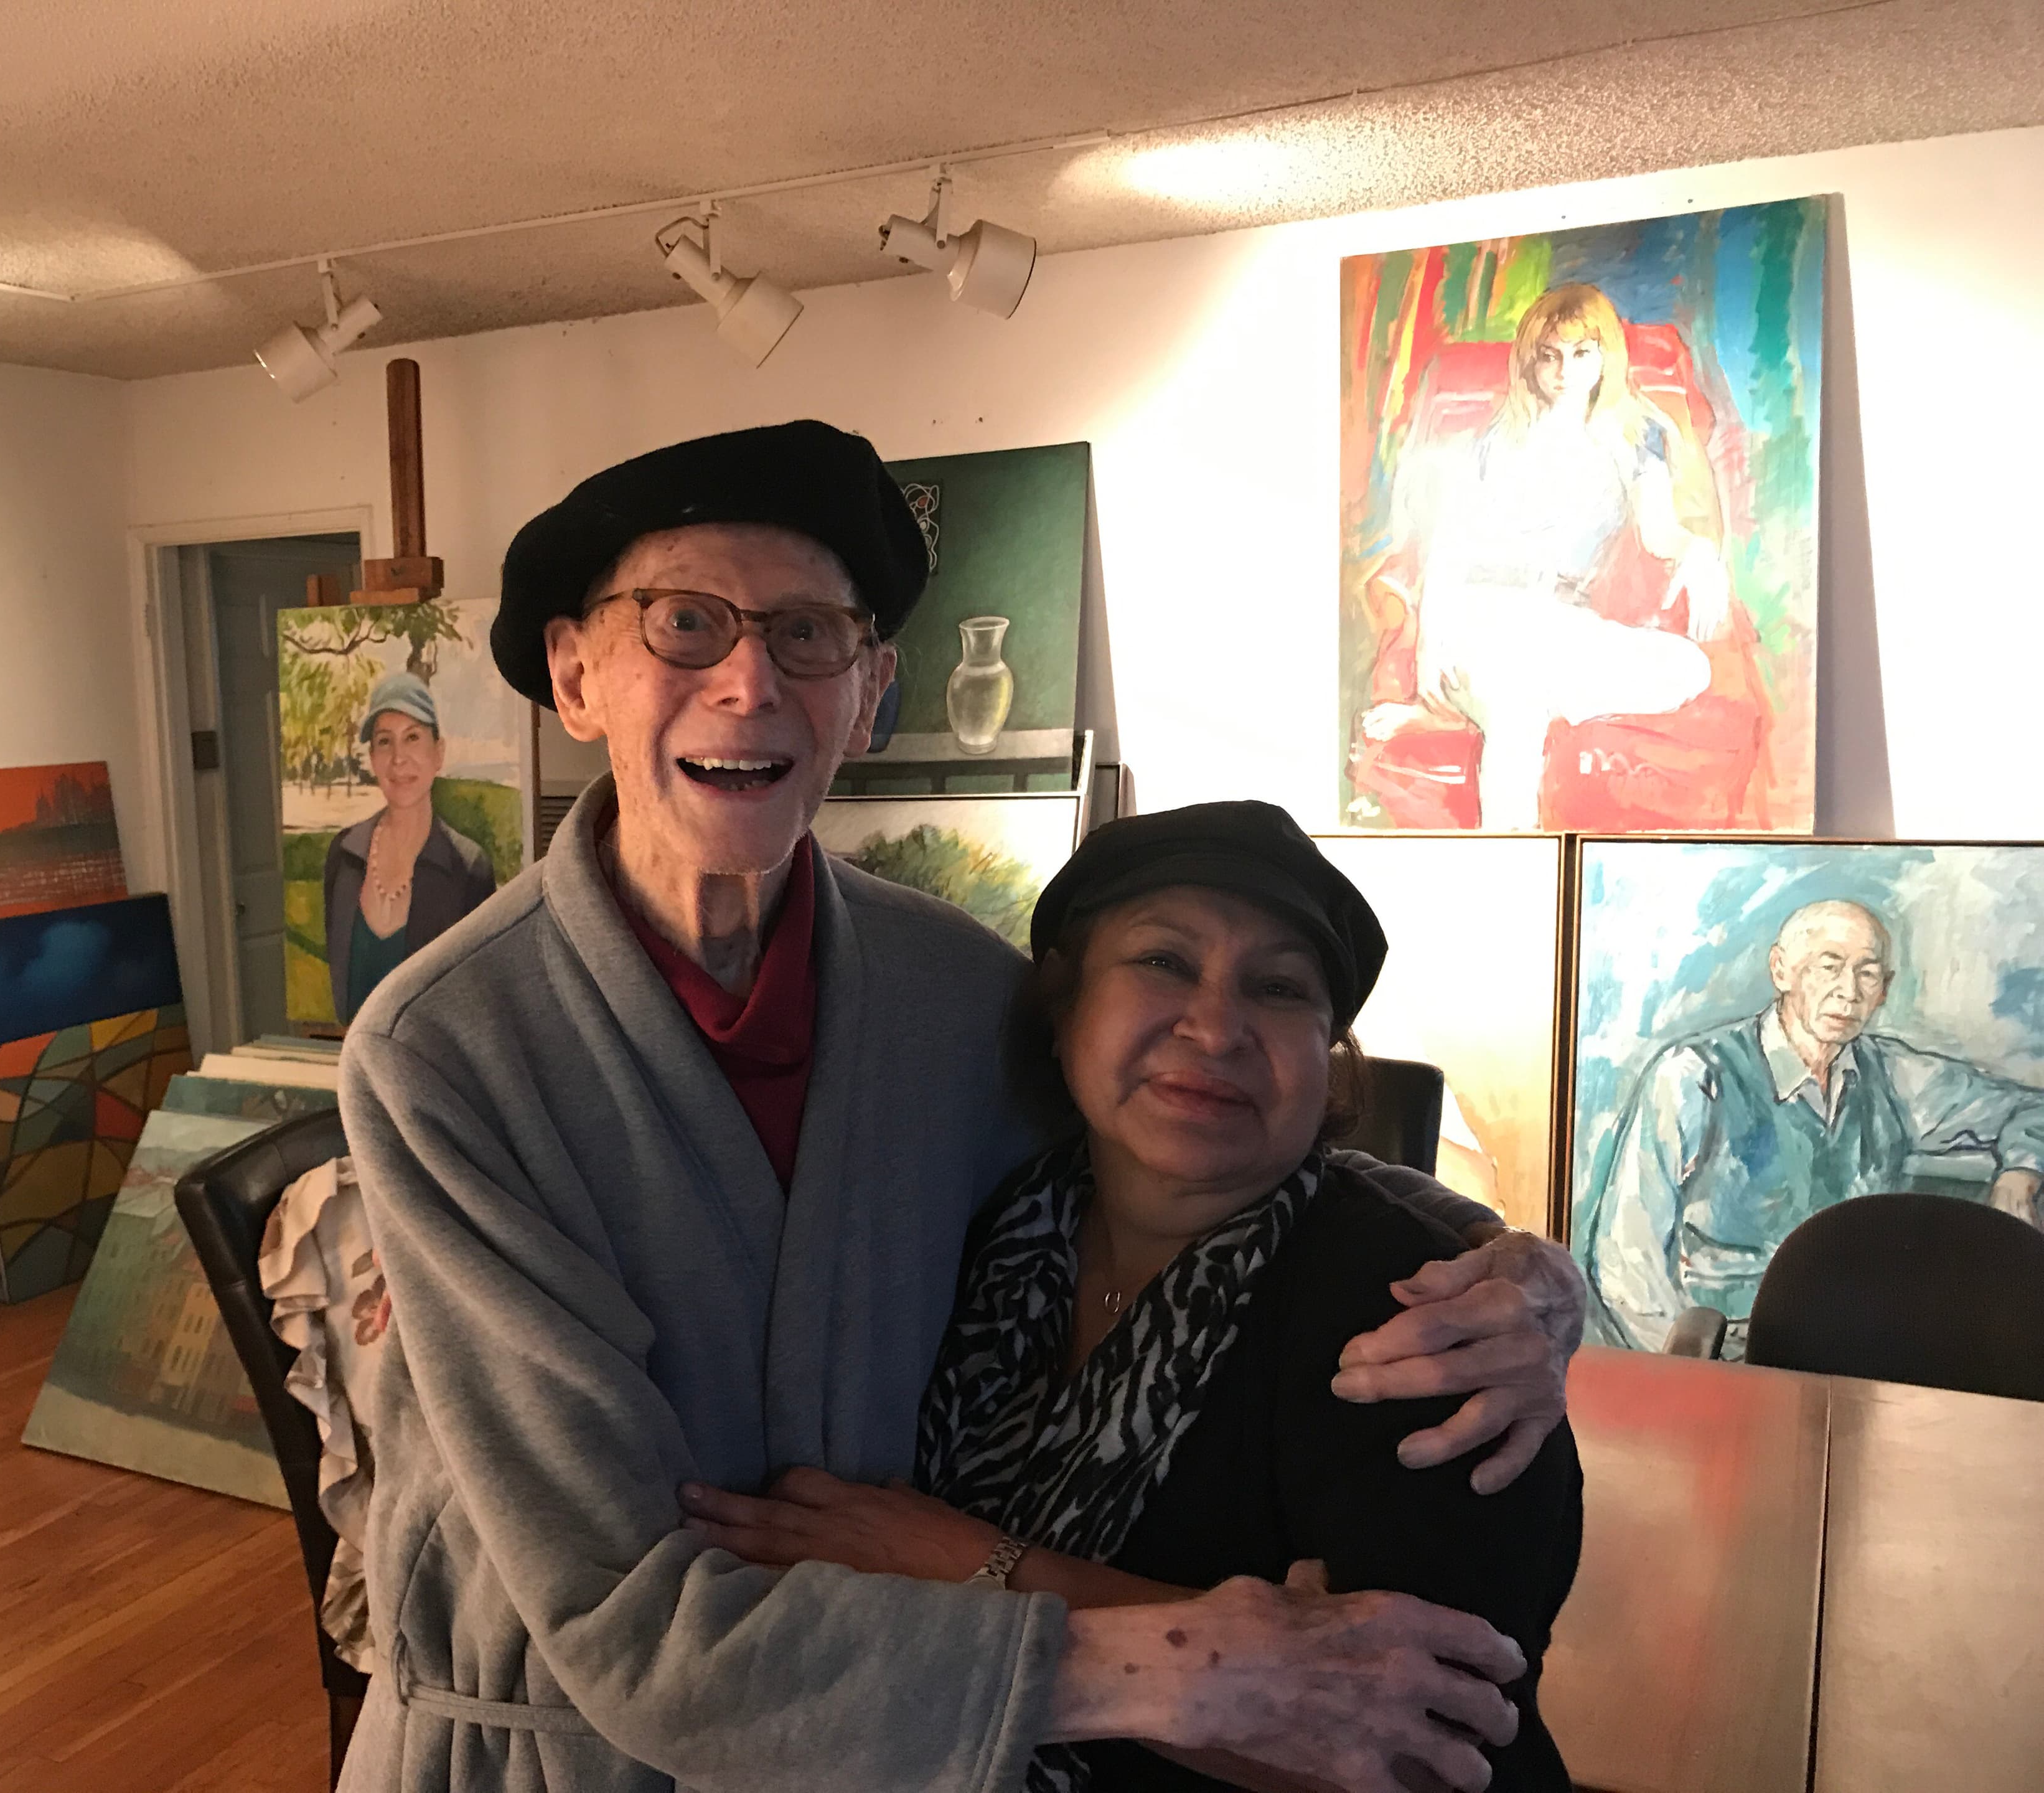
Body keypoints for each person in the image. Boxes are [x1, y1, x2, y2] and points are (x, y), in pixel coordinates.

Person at [341, 420, 1588, 1793]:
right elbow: (628, 1626)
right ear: (575, 674)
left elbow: (1192, 1144)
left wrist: (1514, 1274)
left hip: (909, 1746)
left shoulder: (948, 988)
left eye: (809, 635)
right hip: (572, 1761)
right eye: (686, 624)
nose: (751, 681)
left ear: (869, 693)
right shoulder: (448, 1052)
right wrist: (1178, 1668)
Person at [683, 804, 1583, 1790]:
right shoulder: (972, 1232)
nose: (1216, 1027)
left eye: (1279, 988)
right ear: (1063, 1008)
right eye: (1163, 962)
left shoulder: (1424, 1329)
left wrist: (958, 1564)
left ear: (1326, 1063)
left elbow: (1424, 1745)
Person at [1589, 898, 2044, 1353]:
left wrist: (2021, 1174)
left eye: (1867, 973)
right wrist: (1690, 1375)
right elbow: (1627, 1266)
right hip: (1722, 1357)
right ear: (1782, 970)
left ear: (1884, 989)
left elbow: (2032, 1109)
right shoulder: (1694, 1076)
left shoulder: (1896, 1077)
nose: (1849, 991)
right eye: (1830, 967)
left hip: (1859, 1353)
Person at [1401, 283, 1732, 829]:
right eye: (1550, 356)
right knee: (1517, 713)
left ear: (1605, 357)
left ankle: (1496, 699)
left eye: (1581, 354)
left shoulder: (1636, 435)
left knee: (1689, 668)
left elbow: (1660, 536)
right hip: (1481, 614)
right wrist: (1427, 646)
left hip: (1560, 621)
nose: (1564, 370)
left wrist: (1698, 553)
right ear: (1531, 363)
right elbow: (1449, 547)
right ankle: (1509, 854)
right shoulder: (1500, 437)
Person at [321, 670, 499, 1023]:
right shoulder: (344, 854)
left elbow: (482, 998)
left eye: (413, 737)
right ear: (372, 758)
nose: (398, 758)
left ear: (439, 753)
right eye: (385, 741)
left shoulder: (467, 866)